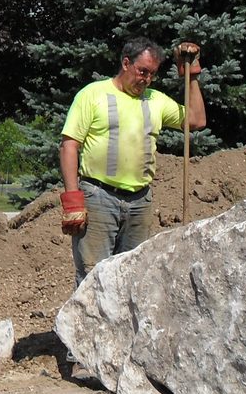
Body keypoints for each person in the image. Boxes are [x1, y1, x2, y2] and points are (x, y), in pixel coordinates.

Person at [59, 38, 206, 283]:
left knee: (132, 278)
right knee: (92, 277)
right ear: (126, 63)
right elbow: (69, 145)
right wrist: (72, 198)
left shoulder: (155, 100)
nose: (146, 79)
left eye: (152, 74)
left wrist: (191, 74)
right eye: (142, 71)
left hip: (140, 201)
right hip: (98, 198)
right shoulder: (93, 95)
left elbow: (196, 120)